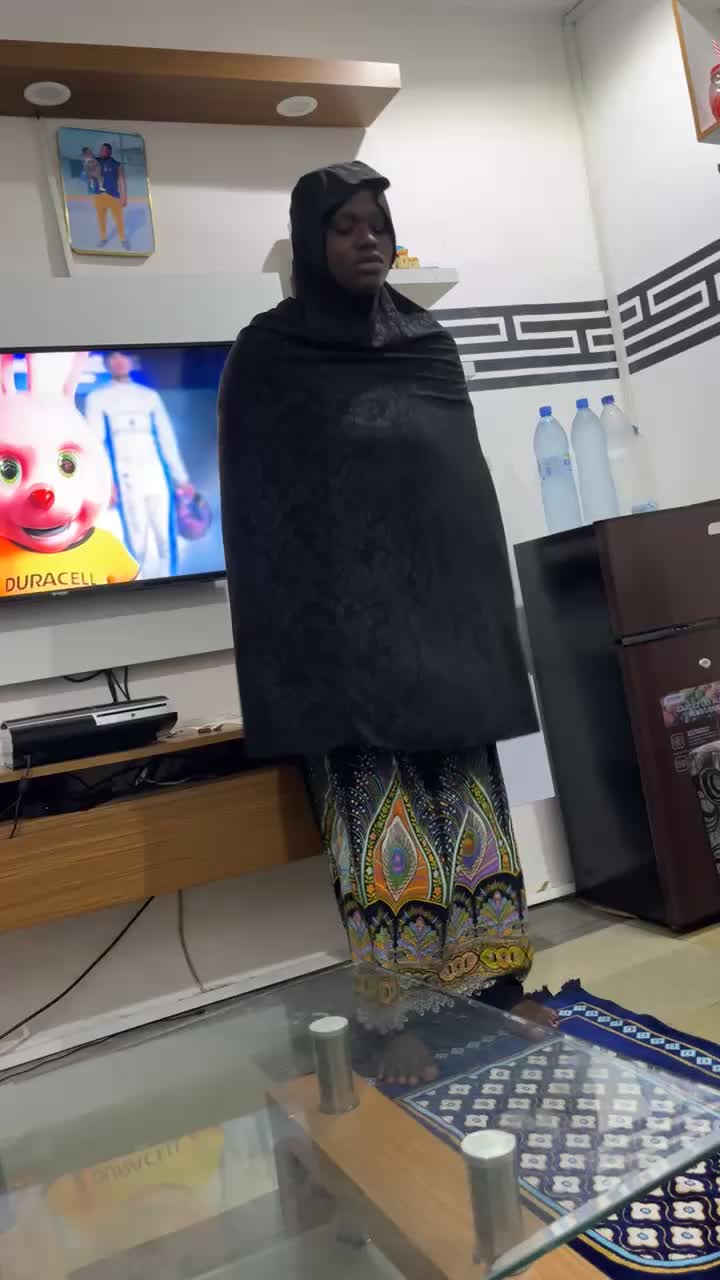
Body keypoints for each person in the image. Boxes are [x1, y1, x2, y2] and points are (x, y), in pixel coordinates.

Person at [219, 162, 558, 1080]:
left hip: (442, 622)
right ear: (310, 242)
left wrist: (482, 622)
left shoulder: (426, 341)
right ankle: (391, 1018)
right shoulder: (271, 354)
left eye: (377, 222)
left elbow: (460, 492)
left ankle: (496, 986)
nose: (367, 239)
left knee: (474, 814)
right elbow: (261, 512)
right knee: (383, 831)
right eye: (345, 226)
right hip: (346, 647)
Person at [84, 351, 192, 579]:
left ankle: (172, 583)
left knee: (166, 537)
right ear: (106, 362)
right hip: (127, 480)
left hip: (156, 476)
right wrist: (106, 483)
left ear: (133, 360)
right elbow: (96, 443)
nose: (118, 361)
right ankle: (142, 587)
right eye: (113, 357)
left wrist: (181, 479)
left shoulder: (149, 396)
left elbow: (166, 438)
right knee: (136, 540)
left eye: (123, 356)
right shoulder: (97, 398)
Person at [93, 142, 128, 250]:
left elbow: (121, 181)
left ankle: (123, 239)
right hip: (99, 196)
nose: (102, 152)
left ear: (110, 152)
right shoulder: (95, 162)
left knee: (119, 219)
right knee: (101, 219)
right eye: (101, 149)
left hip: (113, 196)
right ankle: (103, 238)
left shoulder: (116, 164)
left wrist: (123, 197)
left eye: (104, 150)